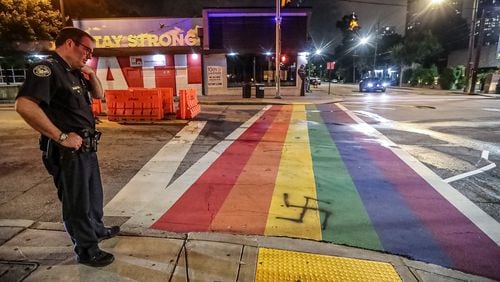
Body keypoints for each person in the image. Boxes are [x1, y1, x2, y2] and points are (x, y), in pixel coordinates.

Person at [15, 27, 119, 267]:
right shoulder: (47, 69)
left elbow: (99, 95)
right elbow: (24, 106)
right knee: (77, 202)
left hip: (86, 148)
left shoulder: (73, 72)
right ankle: (86, 249)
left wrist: (91, 75)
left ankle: (96, 229)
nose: (89, 56)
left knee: (93, 196)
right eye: (87, 50)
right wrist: (61, 137)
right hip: (67, 152)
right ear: (70, 43)